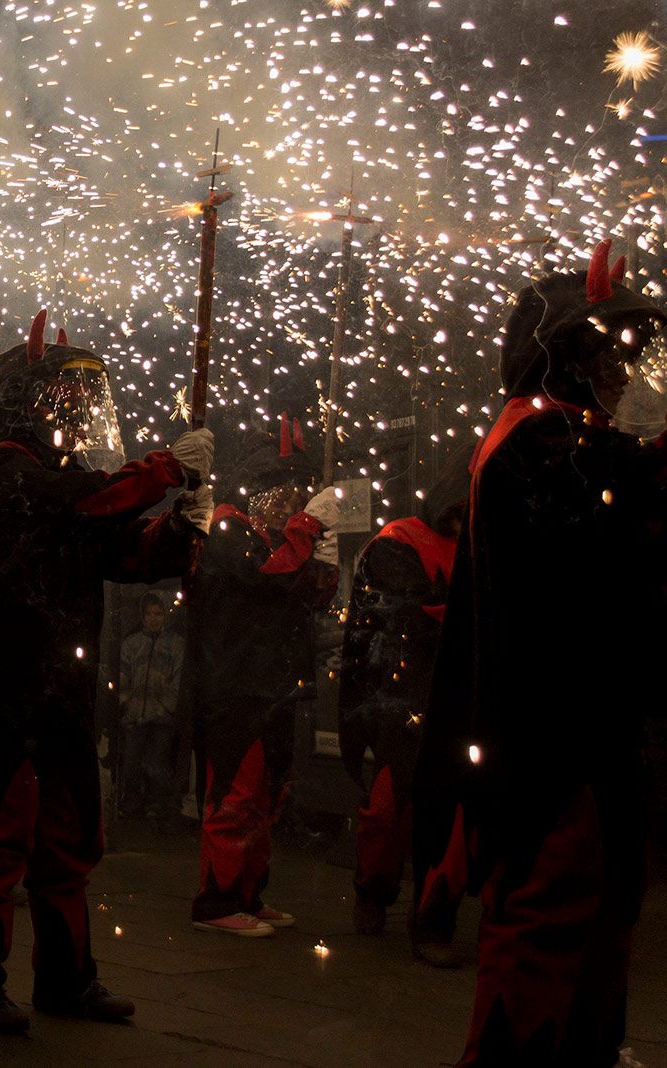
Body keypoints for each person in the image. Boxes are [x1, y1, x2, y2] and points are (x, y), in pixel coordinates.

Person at [0, 311, 211, 1033]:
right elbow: (83, 507)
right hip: (4, 691)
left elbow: (125, 555)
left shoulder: (66, 482)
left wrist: (182, 526)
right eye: (67, 400)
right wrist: (164, 470)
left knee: (67, 839)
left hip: (59, 690)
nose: (82, 413)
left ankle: (66, 979)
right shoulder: (3, 471)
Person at [428, 241, 667, 1065]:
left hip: (597, 724)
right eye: (612, 356)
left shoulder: (587, 443)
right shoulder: (534, 441)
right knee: (545, 910)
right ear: (564, 358)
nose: (626, 376)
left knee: (605, 909)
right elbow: (593, 531)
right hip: (547, 733)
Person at [186, 429, 340, 936]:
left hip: (273, 684)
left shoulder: (265, 537)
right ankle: (217, 901)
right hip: (237, 686)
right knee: (236, 796)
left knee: (263, 801)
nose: (292, 506)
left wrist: (324, 560)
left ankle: (248, 894)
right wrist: (305, 532)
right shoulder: (227, 528)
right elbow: (269, 575)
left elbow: (305, 597)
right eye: (289, 497)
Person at [338, 447, 470, 965]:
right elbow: (405, 610)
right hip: (401, 697)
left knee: (450, 819)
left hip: (456, 699)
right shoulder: (399, 540)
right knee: (388, 810)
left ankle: (433, 921)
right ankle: (373, 889)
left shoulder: (479, 547)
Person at [117, 591, 186, 823]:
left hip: (161, 717)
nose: (153, 618)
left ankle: (156, 804)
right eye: (148, 613)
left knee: (157, 764)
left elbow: (179, 681)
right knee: (131, 763)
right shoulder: (132, 643)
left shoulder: (176, 645)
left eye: (158, 613)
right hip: (135, 715)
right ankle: (132, 804)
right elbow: (122, 677)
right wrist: (125, 702)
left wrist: (167, 707)